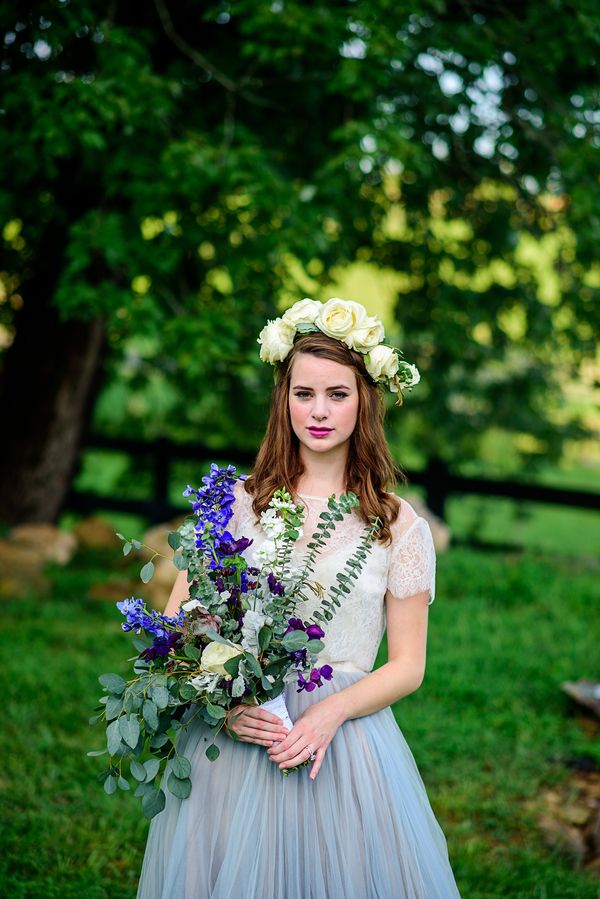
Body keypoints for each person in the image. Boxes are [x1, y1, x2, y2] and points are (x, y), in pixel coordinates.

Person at [136, 298, 462, 898]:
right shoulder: (233, 503)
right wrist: (223, 707)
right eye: (303, 393)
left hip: (343, 741)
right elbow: (177, 625)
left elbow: (409, 666)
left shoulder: (398, 526)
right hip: (237, 736)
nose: (318, 411)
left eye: (337, 394)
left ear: (364, 400)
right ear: (283, 399)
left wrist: (330, 712)